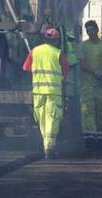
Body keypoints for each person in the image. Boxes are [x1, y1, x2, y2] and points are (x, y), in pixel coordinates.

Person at [22, 27, 69, 159]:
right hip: (53, 93)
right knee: (52, 119)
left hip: (38, 92)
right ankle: (49, 148)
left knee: (42, 120)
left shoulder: (34, 51)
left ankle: (47, 145)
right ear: (56, 40)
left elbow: (26, 68)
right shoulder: (58, 53)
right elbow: (65, 72)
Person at [78, 20, 102, 138]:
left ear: (97, 30)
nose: (90, 33)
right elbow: (82, 64)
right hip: (87, 85)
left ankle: (101, 134)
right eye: (88, 31)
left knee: (101, 110)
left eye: (92, 30)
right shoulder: (83, 46)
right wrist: (94, 72)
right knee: (87, 109)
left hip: (100, 84)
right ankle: (89, 134)